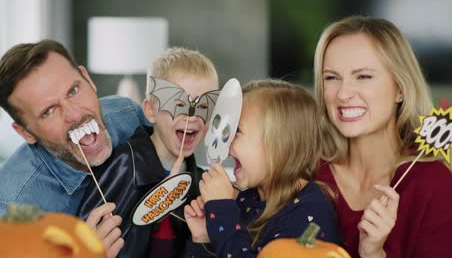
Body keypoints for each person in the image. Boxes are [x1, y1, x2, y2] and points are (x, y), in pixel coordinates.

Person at [313, 16, 452, 257]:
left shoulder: (434, 186)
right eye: (331, 77)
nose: (343, 93)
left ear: (400, 88)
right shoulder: (305, 171)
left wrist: (374, 254)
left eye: (363, 76)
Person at [0, 40, 149, 241]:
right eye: (49, 111)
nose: (75, 114)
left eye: (73, 91)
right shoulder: (6, 217)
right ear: (25, 133)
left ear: (87, 79)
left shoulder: (127, 114)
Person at [77, 47, 220, 257]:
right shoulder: (125, 165)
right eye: (179, 105)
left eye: (204, 107)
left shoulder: (199, 182)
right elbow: (87, 231)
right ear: (151, 111)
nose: (192, 117)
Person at [185, 79, 341, 257]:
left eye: (237, 132)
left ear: (280, 146)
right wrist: (203, 237)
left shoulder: (310, 213)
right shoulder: (248, 200)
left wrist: (222, 210)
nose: (225, 144)